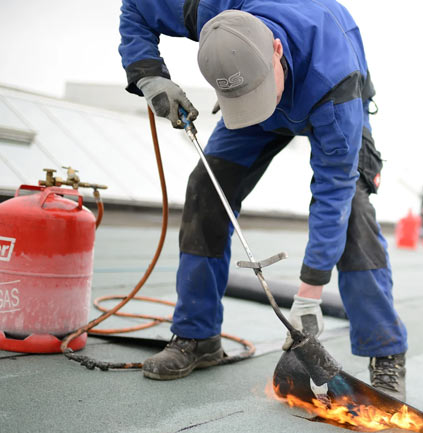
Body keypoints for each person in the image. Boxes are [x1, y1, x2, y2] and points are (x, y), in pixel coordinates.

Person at [118, 1, 408, 400]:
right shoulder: (209, 11)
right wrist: (147, 73)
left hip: (323, 95)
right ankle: (197, 336)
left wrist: (310, 290)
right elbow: (135, 7)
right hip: (262, 94)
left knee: (352, 213)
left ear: (274, 49)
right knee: (206, 189)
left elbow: (332, 191)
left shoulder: (335, 81)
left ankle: (386, 352)